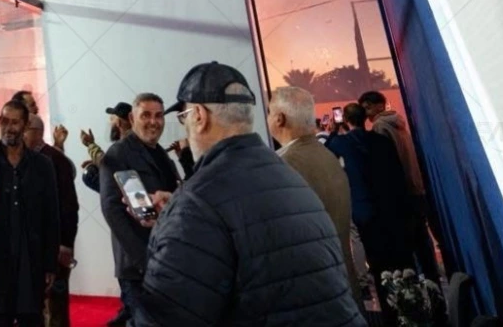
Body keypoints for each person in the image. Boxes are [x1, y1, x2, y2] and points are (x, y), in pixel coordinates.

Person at [135, 63, 364, 326]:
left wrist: (178, 221)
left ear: (199, 116)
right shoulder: (288, 176)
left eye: (183, 117)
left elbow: (164, 316)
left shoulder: (198, 202)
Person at [0, 102, 60, 327]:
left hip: (30, 263)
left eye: (15, 122)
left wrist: (50, 263)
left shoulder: (42, 165)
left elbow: (51, 216)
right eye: (4, 121)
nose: (9, 127)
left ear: (25, 125)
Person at [268, 87, 359, 302]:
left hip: (316, 292)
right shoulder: (326, 154)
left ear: (280, 119)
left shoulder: (282, 164)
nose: (269, 118)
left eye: (270, 112)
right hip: (343, 283)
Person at [327, 103, 416, 318]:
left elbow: (328, 149)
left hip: (363, 210)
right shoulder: (381, 141)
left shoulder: (342, 142)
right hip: (388, 207)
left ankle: (389, 312)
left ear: (345, 119)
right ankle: (407, 309)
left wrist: (332, 131)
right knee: (396, 260)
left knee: (376, 263)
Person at [98, 93, 179, 325]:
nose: (153, 121)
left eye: (159, 116)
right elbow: (112, 211)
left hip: (164, 258)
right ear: (132, 118)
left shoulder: (162, 154)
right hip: (137, 267)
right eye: (146, 115)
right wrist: (144, 261)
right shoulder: (118, 154)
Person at [358, 91, 442, 281]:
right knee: (422, 240)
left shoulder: (380, 127)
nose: (367, 113)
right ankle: (433, 280)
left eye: (368, 107)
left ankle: (421, 287)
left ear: (379, 105)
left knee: (407, 244)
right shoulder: (399, 122)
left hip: (401, 192)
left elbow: (385, 163)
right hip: (417, 187)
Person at [25, 115, 78, 327]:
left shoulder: (56, 160)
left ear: (37, 132)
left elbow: (68, 205)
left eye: (25, 127)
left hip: (55, 243)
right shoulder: (20, 158)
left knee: (56, 299)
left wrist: (66, 243)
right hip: (31, 244)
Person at [80, 102, 132, 194]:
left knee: (90, 173)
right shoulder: (131, 142)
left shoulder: (126, 144)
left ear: (119, 122)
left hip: (128, 195)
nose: (110, 123)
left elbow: (107, 163)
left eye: (112, 119)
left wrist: (90, 144)